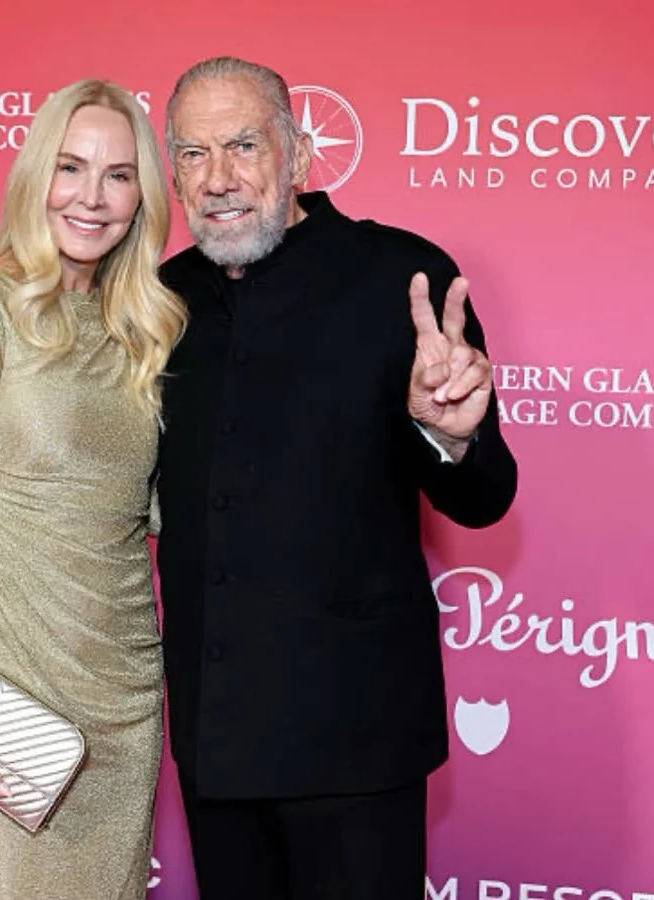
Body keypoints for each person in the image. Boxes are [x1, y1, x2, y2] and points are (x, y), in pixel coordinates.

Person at [154, 56, 518, 899]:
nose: (219, 179)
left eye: (244, 145)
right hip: (216, 738)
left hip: (358, 741)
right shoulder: (160, 300)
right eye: (194, 154)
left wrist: (451, 434)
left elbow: (486, 496)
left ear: (300, 154)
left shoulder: (401, 278)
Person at [0, 79, 186, 900]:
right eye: (71, 168)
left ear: (143, 197)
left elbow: (150, 511)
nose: (92, 198)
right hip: (7, 696)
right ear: (37, 178)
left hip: (125, 698)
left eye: (119, 174)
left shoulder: (148, 327)